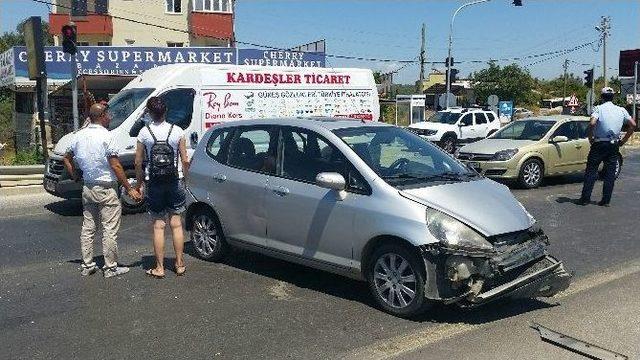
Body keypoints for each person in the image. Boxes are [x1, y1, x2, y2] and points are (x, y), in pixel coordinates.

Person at [63, 103, 142, 278]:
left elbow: (66, 158)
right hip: (106, 188)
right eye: (109, 115)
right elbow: (115, 165)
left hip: (88, 187)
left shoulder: (77, 136)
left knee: (88, 228)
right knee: (109, 229)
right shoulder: (108, 136)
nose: (111, 118)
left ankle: (88, 265)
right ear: (103, 116)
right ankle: (110, 268)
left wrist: (75, 176)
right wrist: (129, 188)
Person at [135, 97, 190, 278]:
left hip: (154, 182)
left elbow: (137, 162)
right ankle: (180, 264)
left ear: (150, 113)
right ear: (165, 112)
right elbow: (184, 159)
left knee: (159, 226)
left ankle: (159, 268)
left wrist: (139, 183)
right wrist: (186, 180)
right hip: (175, 180)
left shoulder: (144, 132)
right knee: (176, 224)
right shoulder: (178, 131)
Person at [578, 87, 637, 206]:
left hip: (599, 143)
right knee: (610, 173)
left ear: (601, 97)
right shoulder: (621, 110)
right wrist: (624, 140)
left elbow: (592, 123)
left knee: (591, 171)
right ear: (613, 97)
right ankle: (605, 201)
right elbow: (633, 124)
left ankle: (585, 199)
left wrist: (591, 138)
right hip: (614, 144)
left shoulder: (598, 108)